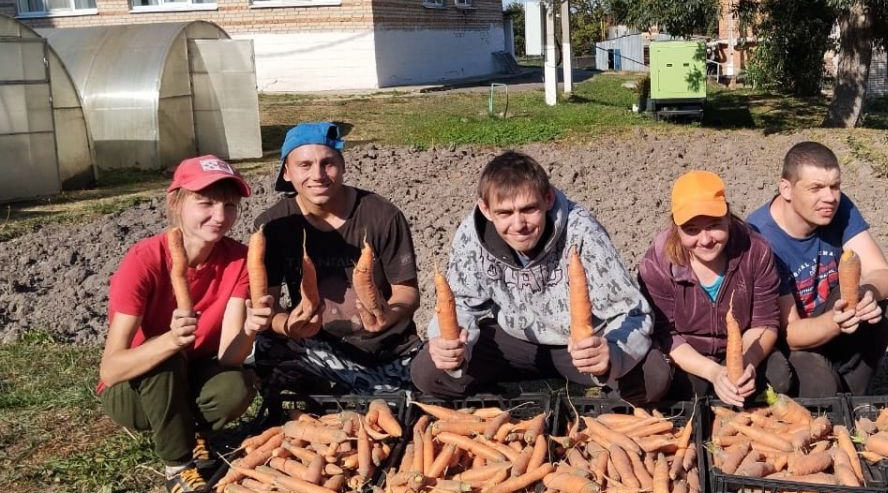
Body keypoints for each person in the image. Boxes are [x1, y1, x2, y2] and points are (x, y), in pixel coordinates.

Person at [409, 150, 663, 403]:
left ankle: (606, 409)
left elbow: (633, 311)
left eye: (528, 209)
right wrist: (450, 345)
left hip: (578, 347)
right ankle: (494, 406)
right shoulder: (471, 236)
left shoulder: (583, 232)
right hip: (513, 342)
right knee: (427, 372)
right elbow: (462, 303)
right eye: (505, 213)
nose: (519, 225)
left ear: (548, 198)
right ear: (485, 209)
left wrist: (609, 356)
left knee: (653, 377)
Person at [99, 157, 272, 493]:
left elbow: (228, 357)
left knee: (235, 386)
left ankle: (194, 433)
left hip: (194, 378)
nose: (220, 216)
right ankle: (177, 464)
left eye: (229, 206)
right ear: (175, 202)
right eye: (205, 203)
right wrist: (169, 340)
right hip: (134, 392)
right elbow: (111, 367)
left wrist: (251, 328)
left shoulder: (238, 259)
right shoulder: (144, 260)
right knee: (164, 358)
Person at [253, 122, 421, 398]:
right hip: (315, 347)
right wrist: (288, 325)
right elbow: (267, 305)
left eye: (328, 163)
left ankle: (358, 392)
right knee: (266, 346)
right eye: (304, 165)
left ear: (342, 166)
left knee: (421, 382)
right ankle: (321, 399)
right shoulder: (272, 226)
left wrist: (388, 314)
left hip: (385, 348)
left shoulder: (382, 216)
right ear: (287, 171)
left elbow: (408, 292)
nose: (317, 175)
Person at [748, 141, 888, 397]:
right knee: (823, 389)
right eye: (816, 188)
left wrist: (867, 292)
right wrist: (835, 322)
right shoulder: (761, 237)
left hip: (829, 317)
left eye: (835, 186)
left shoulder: (840, 210)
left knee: (882, 312)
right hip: (788, 341)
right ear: (786, 189)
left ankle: (855, 395)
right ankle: (830, 385)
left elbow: (884, 274)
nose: (829, 197)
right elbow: (790, 332)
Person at [637, 171, 787, 407]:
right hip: (689, 355)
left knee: (780, 378)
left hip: (742, 348)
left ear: (727, 215)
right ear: (676, 226)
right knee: (687, 390)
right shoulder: (658, 262)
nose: (705, 240)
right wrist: (714, 372)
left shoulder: (756, 250)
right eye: (692, 229)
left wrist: (744, 363)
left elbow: (765, 322)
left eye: (714, 225)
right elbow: (666, 335)